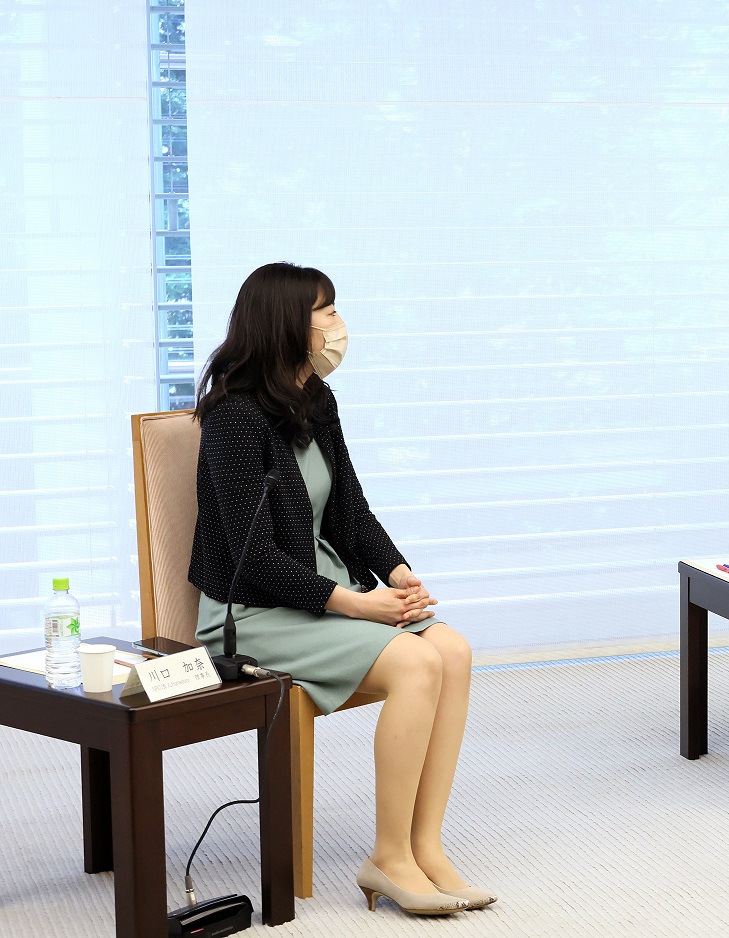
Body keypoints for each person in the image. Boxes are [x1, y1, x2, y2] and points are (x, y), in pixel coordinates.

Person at [188, 262, 497, 914]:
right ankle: (388, 858)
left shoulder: (315, 400)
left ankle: (424, 846)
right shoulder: (233, 419)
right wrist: (360, 604)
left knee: (453, 651)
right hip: (252, 611)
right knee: (416, 663)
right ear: (285, 325)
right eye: (325, 311)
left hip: (324, 590)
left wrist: (399, 575)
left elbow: (350, 511)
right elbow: (253, 561)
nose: (338, 324)